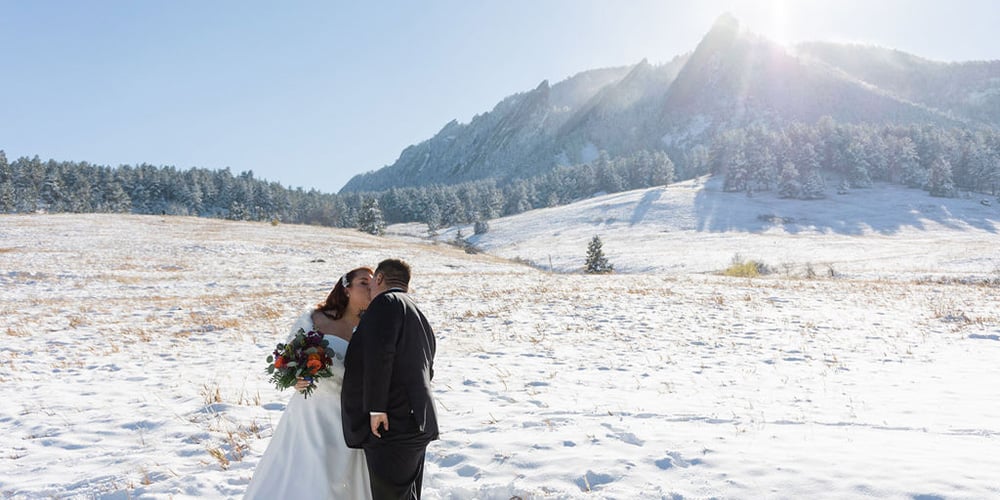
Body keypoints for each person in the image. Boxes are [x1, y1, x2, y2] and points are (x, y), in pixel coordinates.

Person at [244, 267, 375, 500]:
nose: (370, 287)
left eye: (373, 283)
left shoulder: (373, 326)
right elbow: (287, 358)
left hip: (350, 414)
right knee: (308, 472)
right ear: (347, 289)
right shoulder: (315, 318)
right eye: (364, 282)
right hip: (311, 411)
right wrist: (296, 379)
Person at [342, 259, 439, 500]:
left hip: (392, 425)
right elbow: (428, 367)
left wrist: (376, 408)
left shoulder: (385, 303)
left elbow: (380, 354)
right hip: (416, 421)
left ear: (380, 279)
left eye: (372, 281)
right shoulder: (416, 311)